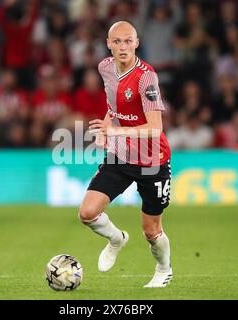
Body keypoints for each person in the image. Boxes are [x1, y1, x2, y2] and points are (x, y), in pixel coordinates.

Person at [79, 21, 173, 288]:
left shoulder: (147, 78)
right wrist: (107, 127)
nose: (123, 47)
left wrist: (114, 132)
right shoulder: (104, 67)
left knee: (151, 231)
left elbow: (155, 129)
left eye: (128, 41)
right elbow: (114, 106)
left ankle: (163, 269)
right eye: (117, 41)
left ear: (137, 43)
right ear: (108, 44)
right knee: (87, 213)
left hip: (152, 160)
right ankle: (116, 238)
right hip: (120, 156)